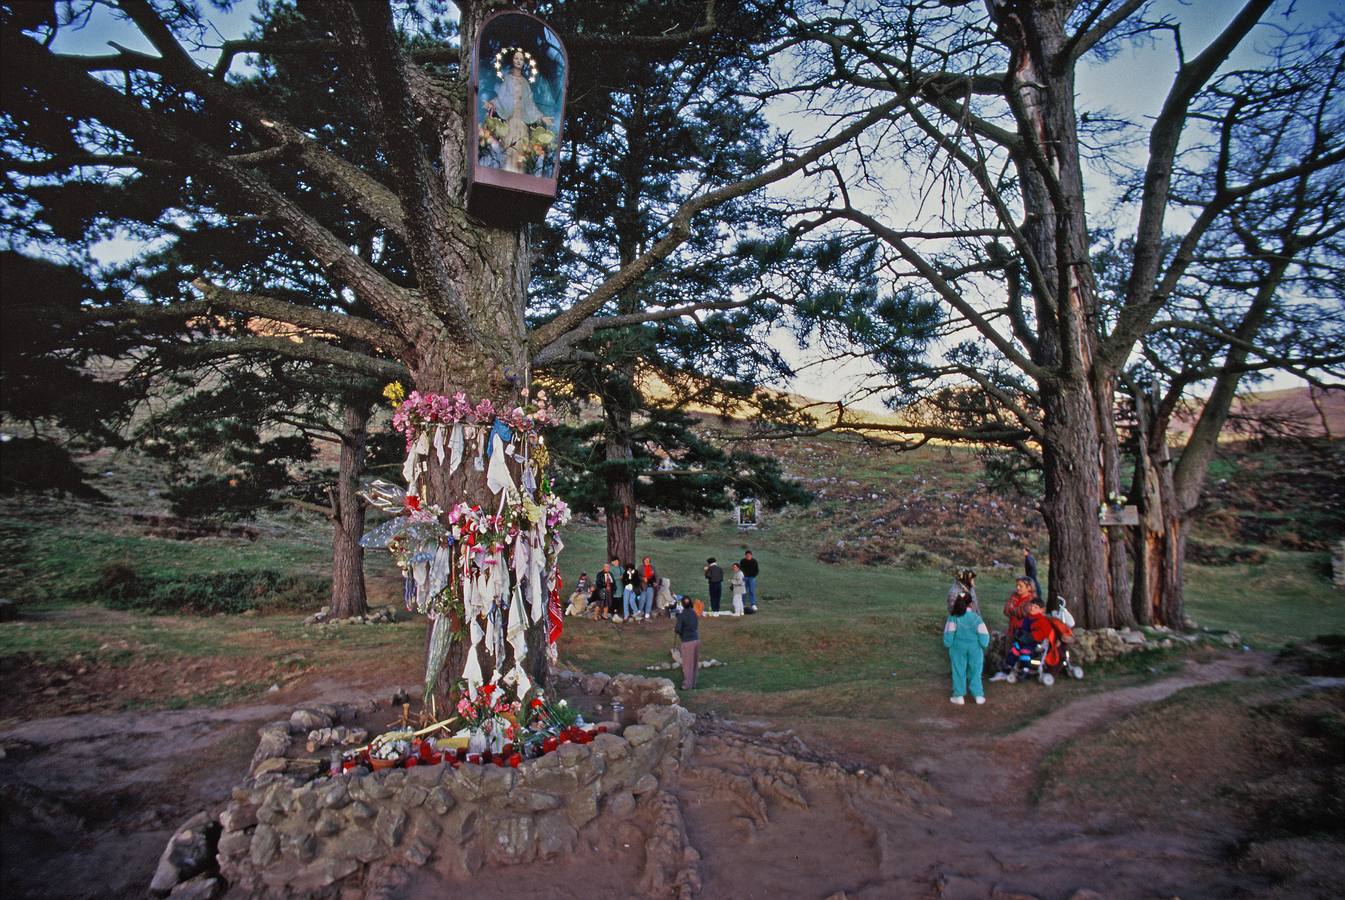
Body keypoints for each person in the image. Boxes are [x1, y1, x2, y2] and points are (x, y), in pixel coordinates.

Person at [482, 48, 553, 174]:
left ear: (524, 63)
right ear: (512, 60)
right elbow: (502, 97)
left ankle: (519, 173)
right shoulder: (508, 79)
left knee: (521, 148)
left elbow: (530, 104)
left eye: (521, 59)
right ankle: (507, 171)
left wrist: (542, 117)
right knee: (509, 145)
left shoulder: (525, 83)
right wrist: (492, 104)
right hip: (511, 120)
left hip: (522, 123)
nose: (519, 61)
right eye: (516, 58)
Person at [943, 592, 990, 705]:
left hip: (957, 648)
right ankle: (978, 695)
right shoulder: (976, 618)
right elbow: (984, 635)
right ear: (971, 604)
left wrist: (948, 643)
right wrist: (984, 644)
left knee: (958, 670)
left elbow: (948, 634)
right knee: (976, 670)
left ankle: (959, 696)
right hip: (975, 648)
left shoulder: (953, 617)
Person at [991, 577, 1039, 681]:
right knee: (1009, 650)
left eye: (1020, 586)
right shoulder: (1014, 596)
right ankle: (1007, 671)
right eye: (1017, 585)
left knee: (1021, 651)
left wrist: (1013, 609)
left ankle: (1021, 672)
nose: (1017, 588)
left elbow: (1023, 613)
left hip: (1023, 632)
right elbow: (1006, 610)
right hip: (1012, 629)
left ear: (1029, 587)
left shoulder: (1032, 600)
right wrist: (1015, 610)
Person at [674, 597, 700, 690]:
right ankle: (693, 683)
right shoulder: (694, 613)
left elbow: (678, 629)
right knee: (694, 663)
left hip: (687, 641)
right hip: (696, 639)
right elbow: (696, 625)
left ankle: (687, 685)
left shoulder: (682, 615)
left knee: (687, 664)